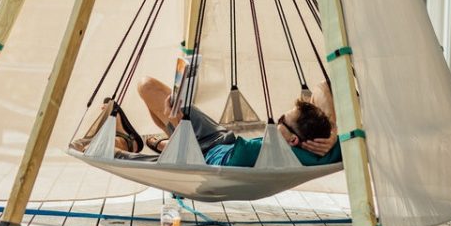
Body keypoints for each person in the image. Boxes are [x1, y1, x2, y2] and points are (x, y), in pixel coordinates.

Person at [114, 76, 341, 167]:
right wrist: (333, 132)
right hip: (220, 138)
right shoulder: (328, 150)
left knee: (147, 88)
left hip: (196, 153)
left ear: (292, 139)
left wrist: (178, 123)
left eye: (282, 119)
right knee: (147, 87)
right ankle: (156, 142)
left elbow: (190, 162)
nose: (276, 121)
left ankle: (134, 142)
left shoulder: (254, 152)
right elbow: (324, 87)